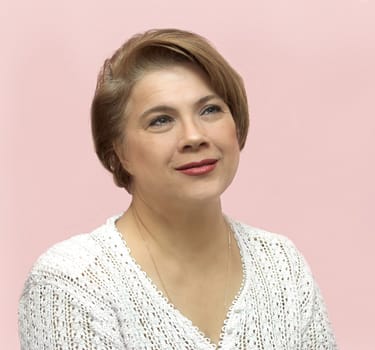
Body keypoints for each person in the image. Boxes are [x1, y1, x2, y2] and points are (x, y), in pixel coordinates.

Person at [18, 28, 337, 349]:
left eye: (210, 109)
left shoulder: (282, 266)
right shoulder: (72, 283)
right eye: (160, 120)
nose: (194, 136)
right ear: (119, 152)